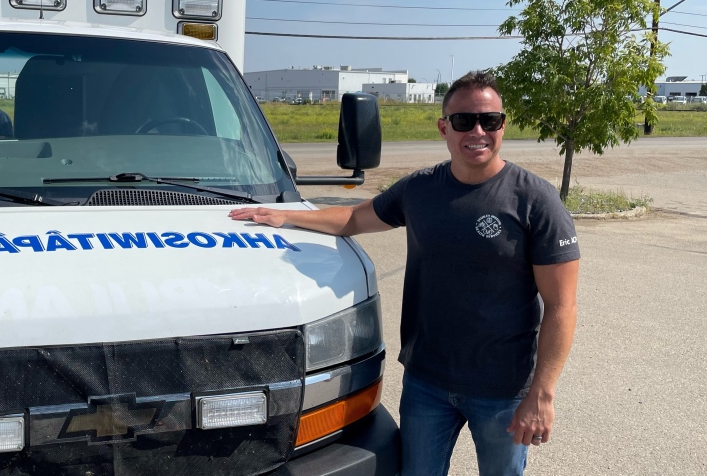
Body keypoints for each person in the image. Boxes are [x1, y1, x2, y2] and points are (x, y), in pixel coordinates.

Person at [229, 71, 580, 476]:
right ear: (444, 127)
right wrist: (285, 215)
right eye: (464, 121)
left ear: (504, 124)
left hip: (502, 390)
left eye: (490, 120)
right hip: (427, 384)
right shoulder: (421, 189)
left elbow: (562, 306)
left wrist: (542, 393)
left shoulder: (535, 199)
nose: (478, 131)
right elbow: (354, 218)